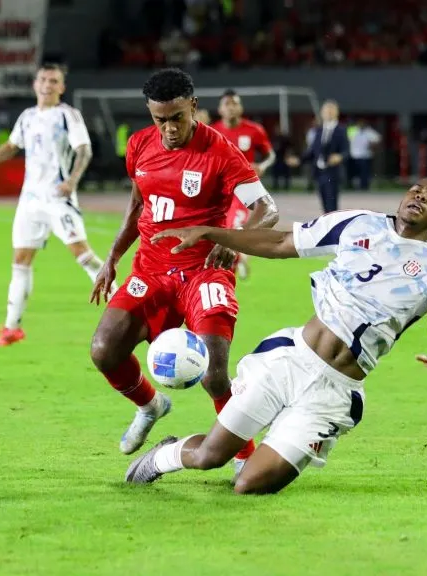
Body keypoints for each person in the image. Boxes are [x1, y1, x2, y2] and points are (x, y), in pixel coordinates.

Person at [126, 177, 427, 494]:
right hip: (290, 360)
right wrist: (213, 233)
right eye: (417, 190)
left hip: (335, 393)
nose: (421, 196)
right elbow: (282, 241)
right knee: (209, 457)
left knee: (249, 484)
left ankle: (280, 445)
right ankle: (163, 456)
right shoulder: (358, 224)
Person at [88, 68, 279, 479]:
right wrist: (112, 257)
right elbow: (138, 203)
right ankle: (150, 405)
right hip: (152, 269)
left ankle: (245, 456)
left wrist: (233, 239)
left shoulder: (222, 152)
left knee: (214, 374)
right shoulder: (139, 145)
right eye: (160, 119)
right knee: (104, 350)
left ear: (193, 106)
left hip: (204, 271)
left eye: (177, 117)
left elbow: (267, 209)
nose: (169, 128)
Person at [0, 63, 112, 347]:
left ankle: (125, 304)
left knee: (82, 255)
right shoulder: (27, 117)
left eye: (54, 81)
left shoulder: (67, 115)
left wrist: (72, 181)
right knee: (21, 261)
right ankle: (12, 327)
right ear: (35, 84)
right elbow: (12, 146)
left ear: (61, 87)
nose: (47, 85)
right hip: (30, 201)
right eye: (43, 79)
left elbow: (83, 150)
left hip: (58, 199)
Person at [211, 89, 276, 279]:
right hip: (219, 189)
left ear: (241, 107)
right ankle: (239, 258)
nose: (231, 107)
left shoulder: (254, 130)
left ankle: (236, 258)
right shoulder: (212, 131)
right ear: (220, 109)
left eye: (234, 103)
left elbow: (270, 155)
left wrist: (262, 166)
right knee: (221, 226)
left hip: (243, 187)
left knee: (237, 223)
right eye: (227, 104)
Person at [295, 100, 347, 213]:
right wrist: (299, 160)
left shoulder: (341, 130)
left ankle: (332, 227)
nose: (328, 113)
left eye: (331, 111)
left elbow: (346, 151)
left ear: (336, 113)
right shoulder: (318, 130)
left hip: (332, 172)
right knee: (324, 203)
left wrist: (340, 157)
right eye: (326, 111)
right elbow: (312, 151)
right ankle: (327, 226)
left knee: (331, 205)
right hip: (319, 173)